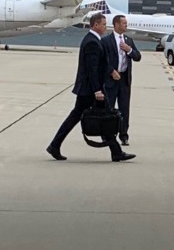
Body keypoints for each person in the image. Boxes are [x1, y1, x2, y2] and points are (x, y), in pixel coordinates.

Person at [47, 13, 134, 163]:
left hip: (89, 89)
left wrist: (109, 71)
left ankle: (55, 145)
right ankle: (116, 151)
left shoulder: (94, 40)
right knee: (105, 116)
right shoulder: (92, 42)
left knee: (89, 117)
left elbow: (100, 65)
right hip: (90, 90)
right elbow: (92, 69)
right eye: (103, 24)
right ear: (95, 25)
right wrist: (97, 91)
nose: (105, 27)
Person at [102, 14, 141, 146]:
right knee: (109, 108)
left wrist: (129, 50)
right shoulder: (106, 41)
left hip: (124, 80)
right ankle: (107, 134)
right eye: (124, 23)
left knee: (124, 109)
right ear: (116, 24)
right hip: (111, 79)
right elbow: (102, 61)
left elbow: (138, 56)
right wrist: (111, 71)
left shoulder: (128, 40)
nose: (126, 25)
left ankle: (123, 135)